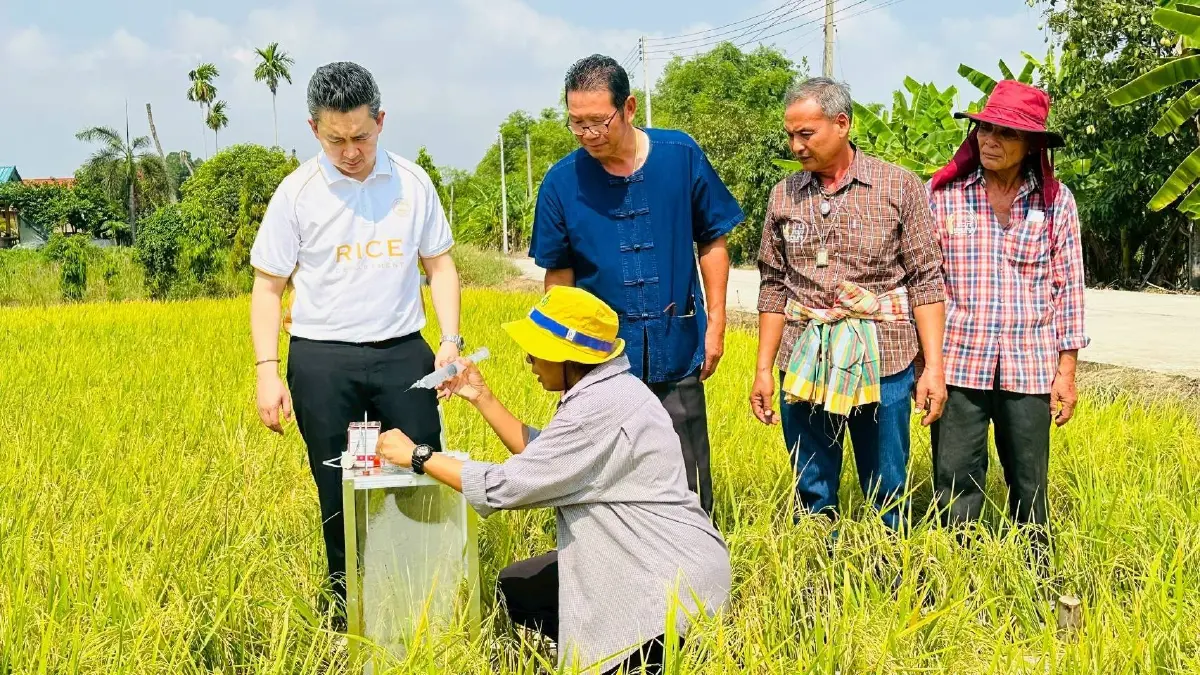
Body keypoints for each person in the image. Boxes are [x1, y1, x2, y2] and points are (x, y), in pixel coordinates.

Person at [375, 285, 731, 675]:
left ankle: (627, 655)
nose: (529, 359)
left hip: (663, 585)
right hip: (664, 559)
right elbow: (544, 455)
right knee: (519, 586)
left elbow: (505, 487)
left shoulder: (596, 409)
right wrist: (482, 397)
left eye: (538, 349)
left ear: (569, 356)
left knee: (609, 645)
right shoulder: (613, 389)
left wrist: (419, 457)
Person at [248, 61, 463, 617]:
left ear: (381, 121)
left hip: (403, 355)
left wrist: (450, 340)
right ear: (313, 129)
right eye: (335, 139)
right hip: (322, 362)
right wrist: (268, 370)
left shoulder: (413, 183)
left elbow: (439, 266)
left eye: (361, 137)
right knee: (339, 486)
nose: (349, 151)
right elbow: (268, 287)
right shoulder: (296, 195)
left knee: (420, 470)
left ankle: (424, 595)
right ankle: (348, 602)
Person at [529, 54, 745, 515]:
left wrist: (717, 325)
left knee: (688, 478)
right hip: (597, 361)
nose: (588, 135)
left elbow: (712, 240)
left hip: (677, 344)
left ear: (628, 108)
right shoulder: (561, 182)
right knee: (603, 478)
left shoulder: (680, 156)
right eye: (576, 124)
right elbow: (559, 277)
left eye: (597, 122)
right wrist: (555, 351)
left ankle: (694, 570)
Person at [750, 77, 948, 531]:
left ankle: (885, 572)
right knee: (811, 483)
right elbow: (773, 284)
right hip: (804, 356)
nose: (796, 145)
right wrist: (763, 369)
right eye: (790, 134)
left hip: (884, 358)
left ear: (842, 124)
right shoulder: (784, 195)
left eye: (806, 134)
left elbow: (925, 279)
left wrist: (933, 368)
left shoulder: (898, 186)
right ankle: (817, 569)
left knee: (887, 484)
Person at [926, 80, 1089, 539]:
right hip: (960, 364)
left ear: (1032, 144)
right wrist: (928, 365)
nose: (990, 140)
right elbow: (927, 284)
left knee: (1030, 486)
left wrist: (1067, 372)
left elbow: (1069, 288)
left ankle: (1035, 578)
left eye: (1006, 133)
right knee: (955, 483)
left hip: (1031, 367)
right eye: (984, 129)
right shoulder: (944, 196)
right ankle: (956, 577)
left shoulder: (1056, 203)